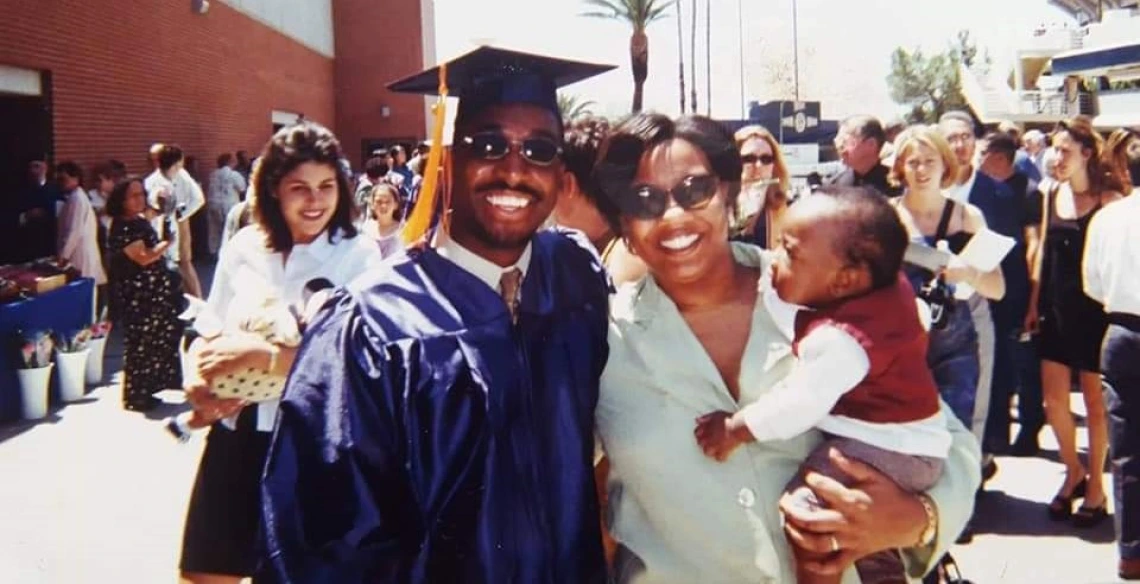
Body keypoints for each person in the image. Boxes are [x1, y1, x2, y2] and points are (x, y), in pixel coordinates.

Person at [260, 47, 617, 582]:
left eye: (540, 150)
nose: (514, 169)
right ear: (446, 161)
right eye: (490, 143)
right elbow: (323, 545)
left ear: (560, 173)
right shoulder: (371, 326)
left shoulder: (577, 277)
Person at [591, 113, 980, 584]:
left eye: (695, 190)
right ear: (623, 223)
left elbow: (944, 436)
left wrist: (921, 519)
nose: (673, 215)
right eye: (644, 200)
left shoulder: (827, 286)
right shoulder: (600, 342)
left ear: (729, 194)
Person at [695, 187, 951, 584]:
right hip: (910, 444)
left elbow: (799, 403)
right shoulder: (882, 289)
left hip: (890, 448)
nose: (775, 259)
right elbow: (797, 310)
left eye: (789, 252)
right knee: (867, 538)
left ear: (844, 280)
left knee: (809, 509)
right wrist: (768, 285)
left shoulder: (844, 342)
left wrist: (736, 428)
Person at [178, 122, 383, 584]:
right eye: (300, 188)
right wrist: (197, 379)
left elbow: (366, 357)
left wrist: (267, 357)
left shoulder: (360, 255)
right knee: (205, 571)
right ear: (273, 189)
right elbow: (209, 324)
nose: (315, 201)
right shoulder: (246, 246)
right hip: (238, 432)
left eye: (326, 186)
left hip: (313, 441)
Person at [1025, 116, 1123, 527]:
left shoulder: (1110, 200)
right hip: (1054, 306)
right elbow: (1041, 254)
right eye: (1054, 149)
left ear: (1086, 153)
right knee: (1053, 403)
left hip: (1095, 310)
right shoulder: (1049, 194)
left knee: (1095, 405)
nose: (1057, 157)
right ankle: (1073, 470)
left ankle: (1096, 488)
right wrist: (1032, 304)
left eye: (1065, 150)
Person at [1083, 192, 1140, 580]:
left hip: (1121, 332)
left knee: (1127, 452)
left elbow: (1092, 283)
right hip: (1121, 331)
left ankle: (1131, 553)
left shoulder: (1107, 217)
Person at [105, 177, 182, 411]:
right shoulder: (124, 226)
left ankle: (150, 388)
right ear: (122, 201)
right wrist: (166, 244)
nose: (140, 199)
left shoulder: (136, 221)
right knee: (141, 344)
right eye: (134, 196)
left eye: (142, 194)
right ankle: (137, 395)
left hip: (152, 292)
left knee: (154, 339)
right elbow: (143, 256)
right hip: (138, 295)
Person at [732, 124, 792, 249]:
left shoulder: (788, 210)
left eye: (766, 159)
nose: (758, 165)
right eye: (748, 159)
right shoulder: (719, 208)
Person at [54, 161, 107, 286]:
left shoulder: (77, 198)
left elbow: (74, 230)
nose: (61, 183)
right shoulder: (75, 197)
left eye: (64, 179)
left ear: (75, 178)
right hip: (78, 254)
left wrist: (63, 257)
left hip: (79, 256)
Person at [360, 182, 405, 258]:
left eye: (388, 202)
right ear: (372, 205)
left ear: (396, 205)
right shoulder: (364, 229)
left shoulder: (404, 231)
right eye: (379, 201)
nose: (383, 205)